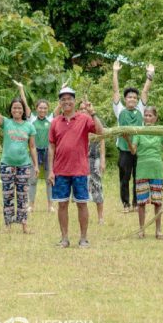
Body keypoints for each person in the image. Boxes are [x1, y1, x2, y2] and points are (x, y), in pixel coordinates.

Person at [0, 86, 37, 233]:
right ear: (11, 110)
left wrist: (35, 165)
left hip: (24, 165)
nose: (17, 110)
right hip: (7, 165)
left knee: (23, 196)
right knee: (7, 195)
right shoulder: (6, 122)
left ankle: (24, 226)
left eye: (19, 108)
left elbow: (33, 147)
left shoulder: (29, 126)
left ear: (23, 110)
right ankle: (8, 225)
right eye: (14, 108)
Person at [48, 86, 102, 248]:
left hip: (80, 170)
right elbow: (51, 146)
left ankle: (83, 238)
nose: (66, 102)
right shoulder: (55, 122)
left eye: (69, 98)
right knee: (62, 204)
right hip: (60, 170)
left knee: (82, 204)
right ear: (60, 102)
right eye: (63, 99)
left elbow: (100, 131)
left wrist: (93, 113)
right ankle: (64, 238)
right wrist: (50, 170)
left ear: (74, 100)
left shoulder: (84, 119)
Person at [127, 107, 163, 239]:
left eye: (150, 116)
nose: (147, 118)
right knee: (141, 202)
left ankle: (158, 230)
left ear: (155, 118)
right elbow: (133, 151)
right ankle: (142, 230)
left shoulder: (160, 132)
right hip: (142, 169)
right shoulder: (139, 131)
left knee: (157, 201)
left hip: (156, 169)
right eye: (146, 115)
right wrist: (126, 138)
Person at [112, 60, 154, 212]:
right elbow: (115, 91)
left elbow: (145, 92)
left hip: (139, 149)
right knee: (124, 178)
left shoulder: (141, 109)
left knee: (139, 177)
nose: (132, 99)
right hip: (124, 150)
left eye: (134, 98)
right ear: (125, 99)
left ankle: (137, 203)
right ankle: (126, 204)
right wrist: (115, 72)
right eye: (129, 97)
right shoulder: (120, 110)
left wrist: (150, 75)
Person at [20, 82, 53, 213]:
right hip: (35, 152)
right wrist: (21, 89)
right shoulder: (31, 118)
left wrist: (63, 88)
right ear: (36, 108)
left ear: (48, 109)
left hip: (48, 152)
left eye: (45, 108)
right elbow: (24, 103)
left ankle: (50, 205)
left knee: (49, 180)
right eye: (40, 108)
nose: (43, 110)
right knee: (32, 179)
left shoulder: (51, 119)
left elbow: (61, 106)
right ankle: (31, 205)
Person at [82, 100, 105, 224]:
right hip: (81, 160)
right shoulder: (77, 121)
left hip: (94, 158)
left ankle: (100, 217)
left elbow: (102, 139)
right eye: (81, 108)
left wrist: (102, 159)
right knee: (82, 188)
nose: (83, 110)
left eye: (86, 108)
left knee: (97, 186)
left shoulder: (95, 121)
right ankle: (85, 216)